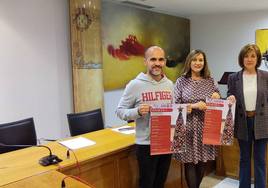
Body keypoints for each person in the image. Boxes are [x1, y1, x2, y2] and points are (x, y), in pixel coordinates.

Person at [116, 46, 173, 188]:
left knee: (160, 182)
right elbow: (120, 111)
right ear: (145, 62)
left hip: (166, 142)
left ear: (164, 62)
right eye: (153, 59)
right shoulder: (135, 85)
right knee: (146, 183)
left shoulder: (170, 84)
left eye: (161, 59)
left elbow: (173, 111)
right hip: (146, 144)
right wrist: (137, 112)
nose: (157, 63)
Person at [172, 49, 220, 188]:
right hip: (188, 128)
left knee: (202, 162)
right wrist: (194, 105)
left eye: (201, 60)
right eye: (195, 60)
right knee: (190, 163)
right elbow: (175, 106)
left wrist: (217, 96)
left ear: (204, 63)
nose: (198, 63)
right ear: (189, 62)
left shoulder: (211, 81)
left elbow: (218, 103)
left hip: (207, 127)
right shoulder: (181, 81)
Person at [227, 44, 268, 188]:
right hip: (243, 121)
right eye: (246, 56)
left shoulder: (266, 76)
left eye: (253, 56)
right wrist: (230, 97)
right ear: (241, 58)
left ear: (257, 59)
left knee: (260, 159)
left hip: (262, 122)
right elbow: (230, 93)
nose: (249, 59)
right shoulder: (233, 77)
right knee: (244, 158)